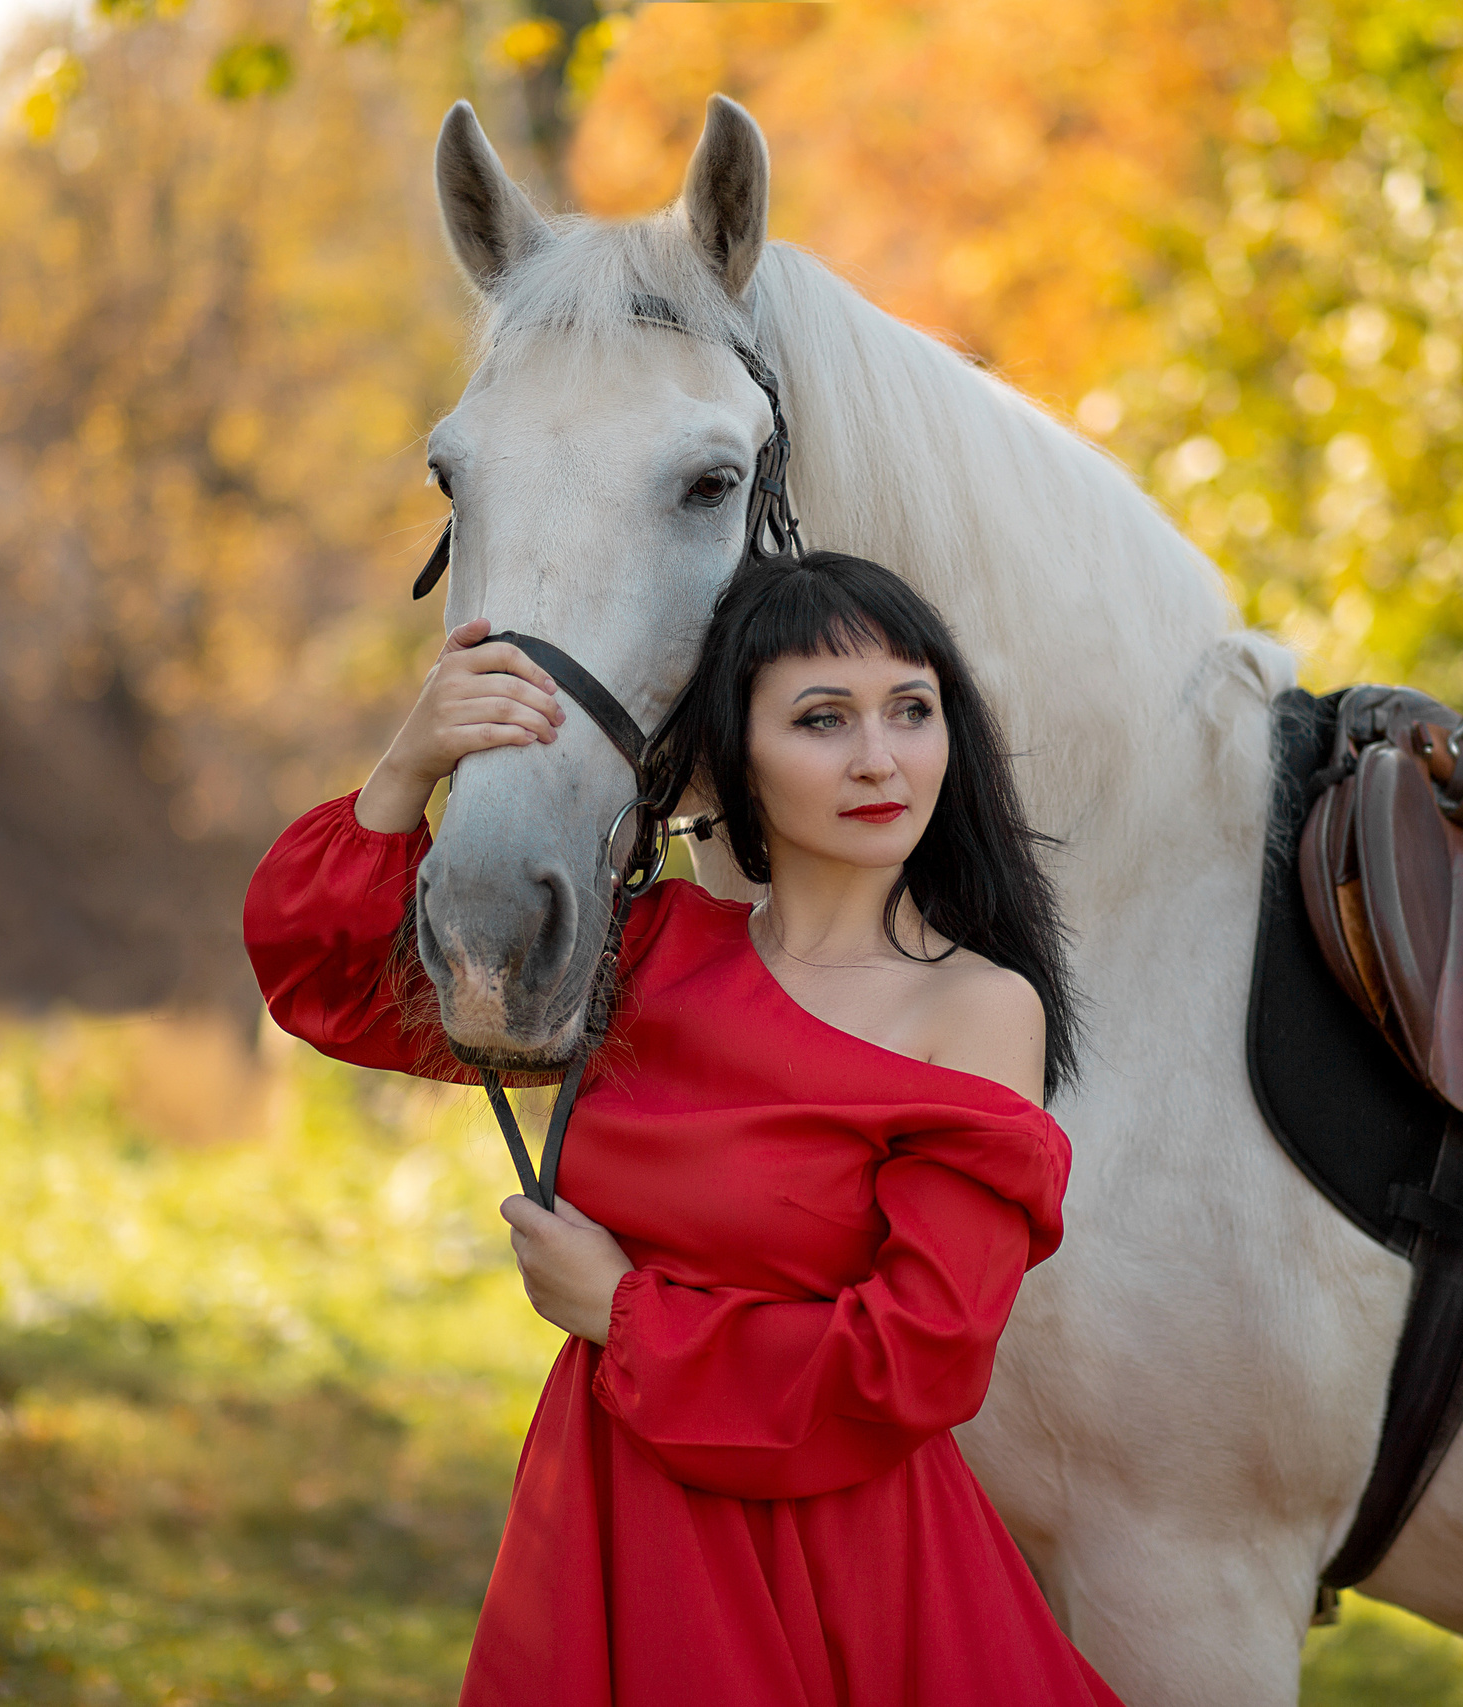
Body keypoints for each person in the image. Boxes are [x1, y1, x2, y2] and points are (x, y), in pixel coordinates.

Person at [244, 551, 1122, 1706]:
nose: (878, 758)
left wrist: (623, 1313)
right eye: (821, 718)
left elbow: (917, 1360)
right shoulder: (645, 951)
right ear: (730, 759)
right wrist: (412, 763)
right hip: (612, 1517)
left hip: (837, 1566)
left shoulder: (974, 1009)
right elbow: (340, 989)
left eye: (911, 709)